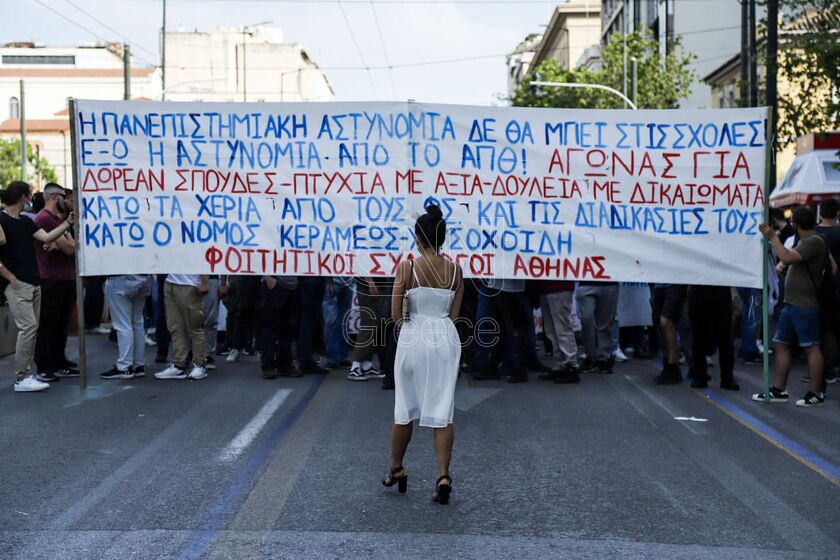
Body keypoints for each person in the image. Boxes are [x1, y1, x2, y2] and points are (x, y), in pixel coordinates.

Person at [383, 204, 464, 505]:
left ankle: (397, 468)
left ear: (418, 238)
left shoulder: (407, 268)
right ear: (442, 238)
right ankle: (443, 475)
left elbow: (395, 313)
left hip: (414, 335)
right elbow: (455, 315)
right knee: (443, 409)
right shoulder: (456, 271)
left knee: (404, 407)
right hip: (444, 336)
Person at [0, 181, 75, 393]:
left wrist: (68, 223)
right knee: (29, 327)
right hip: (18, 283)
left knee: (32, 329)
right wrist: (10, 277)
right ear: (22, 197)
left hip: (34, 282)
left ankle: (26, 374)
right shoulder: (1, 219)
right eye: (29, 196)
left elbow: (46, 236)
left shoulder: (25, 221)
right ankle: (22, 377)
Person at [754, 207, 831, 406]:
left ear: (796, 225)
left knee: (811, 348)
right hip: (791, 303)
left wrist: (773, 237)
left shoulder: (814, 241)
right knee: (781, 344)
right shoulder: (806, 242)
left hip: (805, 305)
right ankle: (779, 389)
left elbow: (787, 258)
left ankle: (815, 393)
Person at [33, 184, 78, 382]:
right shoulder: (44, 219)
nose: (67, 201)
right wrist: (65, 246)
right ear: (54, 196)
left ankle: (59, 362)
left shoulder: (58, 220)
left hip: (65, 277)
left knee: (61, 325)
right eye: (63, 196)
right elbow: (70, 249)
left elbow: (74, 245)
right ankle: (44, 366)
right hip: (51, 279)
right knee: (48, 325)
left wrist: (62, 245)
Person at [154, 274, 209, 381]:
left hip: (190, 284)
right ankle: (179, 364)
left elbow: (204, 262)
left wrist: (204, 282)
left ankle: (199, 364)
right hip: (170, 282)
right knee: (175, 327)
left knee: (194, 327)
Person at [687, 285, 739, 391]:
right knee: (699, 337)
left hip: (714, 291)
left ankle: (724, 377)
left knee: (723, 338)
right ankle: (705, 376)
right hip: (704, 291)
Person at [100, 275, 151, 379]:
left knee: (123, 325)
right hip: (142, 278)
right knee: (137, 323)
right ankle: (139, 365)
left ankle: (124, 366)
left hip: (119, 278)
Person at [536, 280, 579, 384]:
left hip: (559, 287)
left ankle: (571, 365)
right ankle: (561, 364)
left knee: (562, 327)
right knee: (550, 330)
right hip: (546, 288)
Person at [259, 275, 300, 379]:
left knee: (288, 329)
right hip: (274, 284)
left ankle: (285, 365)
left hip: (291, 286)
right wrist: (268, 278)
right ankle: (268, 366)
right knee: (270, 327)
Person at [575, 280, 619, 373]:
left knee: (606, 324)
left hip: (609, 283)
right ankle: (592, 356)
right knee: (587, 320)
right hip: (587, 282)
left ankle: (603, 358)